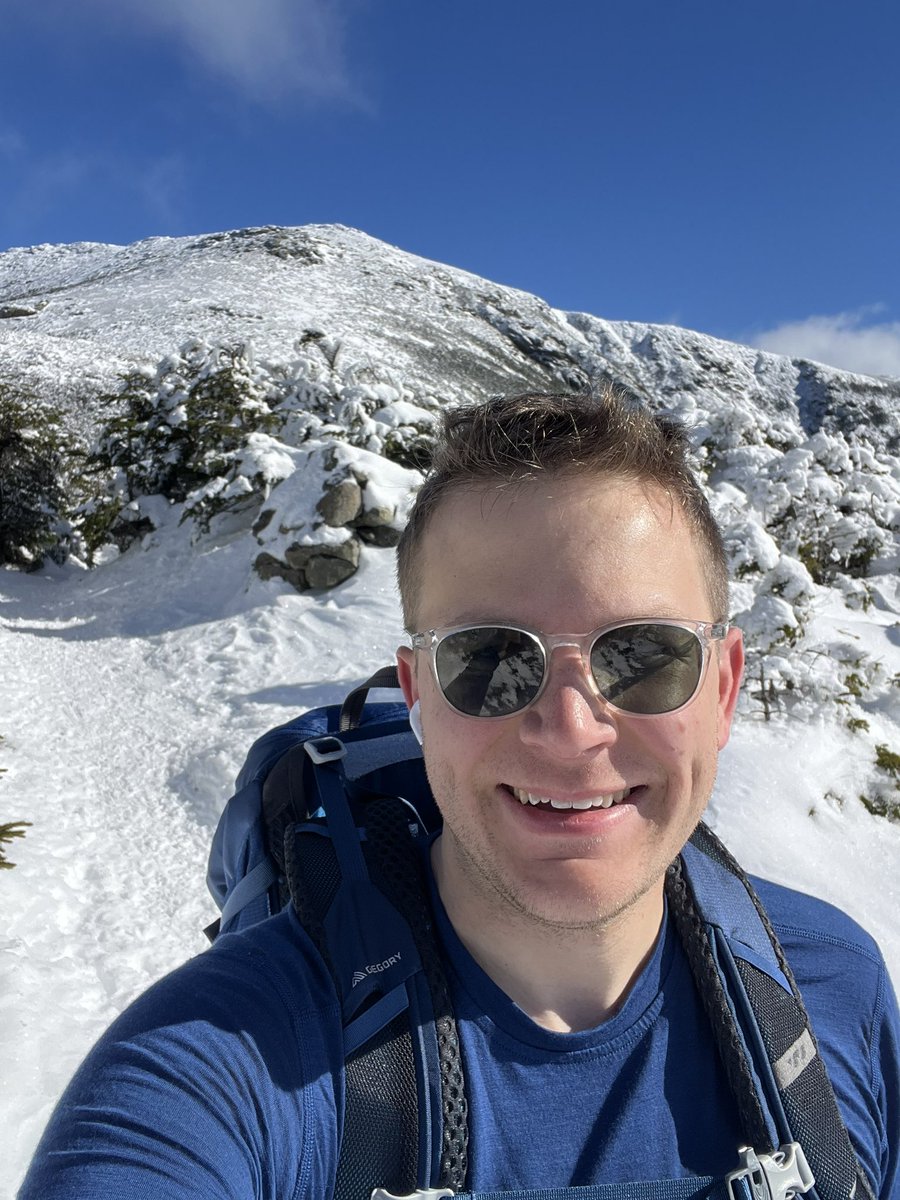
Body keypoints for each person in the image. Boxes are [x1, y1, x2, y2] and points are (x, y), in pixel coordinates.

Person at [19, 388, 900, 1199]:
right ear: (415, 696)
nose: (570, 728)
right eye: (488, 661)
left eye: (642, 655)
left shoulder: (833, 990)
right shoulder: (219, 1065)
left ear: (722, 687)